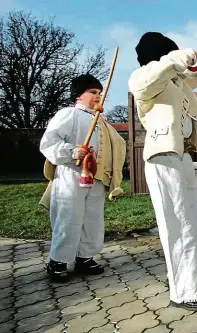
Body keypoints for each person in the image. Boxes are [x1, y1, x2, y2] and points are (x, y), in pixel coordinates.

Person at [128, 31, 197, 310]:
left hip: (182, 156)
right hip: (163, 158)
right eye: (169, 55)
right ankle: (184, 292)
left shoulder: (177, 82)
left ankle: (186, 277)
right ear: (161, 56)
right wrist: (172, 59)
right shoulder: (145, 79)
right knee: (179, 225)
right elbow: (148, 79)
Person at [39, 74, 126, 283]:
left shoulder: (101, 120)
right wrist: (72, 151)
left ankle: (84, 257)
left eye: (100, 93)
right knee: (69, 217)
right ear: (79, 95)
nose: (99, 96)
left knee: (92, 218)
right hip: (72, 175)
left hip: (95, 178)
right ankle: (58, 261)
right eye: (93, 92)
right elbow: (48, 143)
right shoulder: (69, 114)